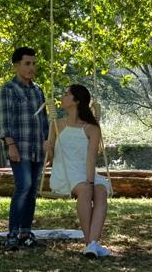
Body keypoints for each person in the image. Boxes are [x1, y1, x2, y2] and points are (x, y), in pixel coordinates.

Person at [45, 84, 111, 258]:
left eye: (66, 94)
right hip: (65, 172)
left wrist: (90, 181)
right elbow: (50, 159)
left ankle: (92, 244)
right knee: (86, 189)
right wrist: (48, 148)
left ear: (76, 101)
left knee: (100, 190)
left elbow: (91, 159)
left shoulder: (92, 128)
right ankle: (90, 243)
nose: (62, 97)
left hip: (85, 171)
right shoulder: (56, 124)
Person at [0, 46, 49, 251]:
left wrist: (47, 144)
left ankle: (26, 233)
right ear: (17, 65)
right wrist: (10, 145)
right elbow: (4, 121)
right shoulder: (7, 89)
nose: (31, 67)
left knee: (33, 190)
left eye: (34, 63)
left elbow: (44, 122)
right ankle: (12, 233)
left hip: (37, 148)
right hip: (19, 148)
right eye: (27, 63)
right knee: (23, 186)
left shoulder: (38, 90)